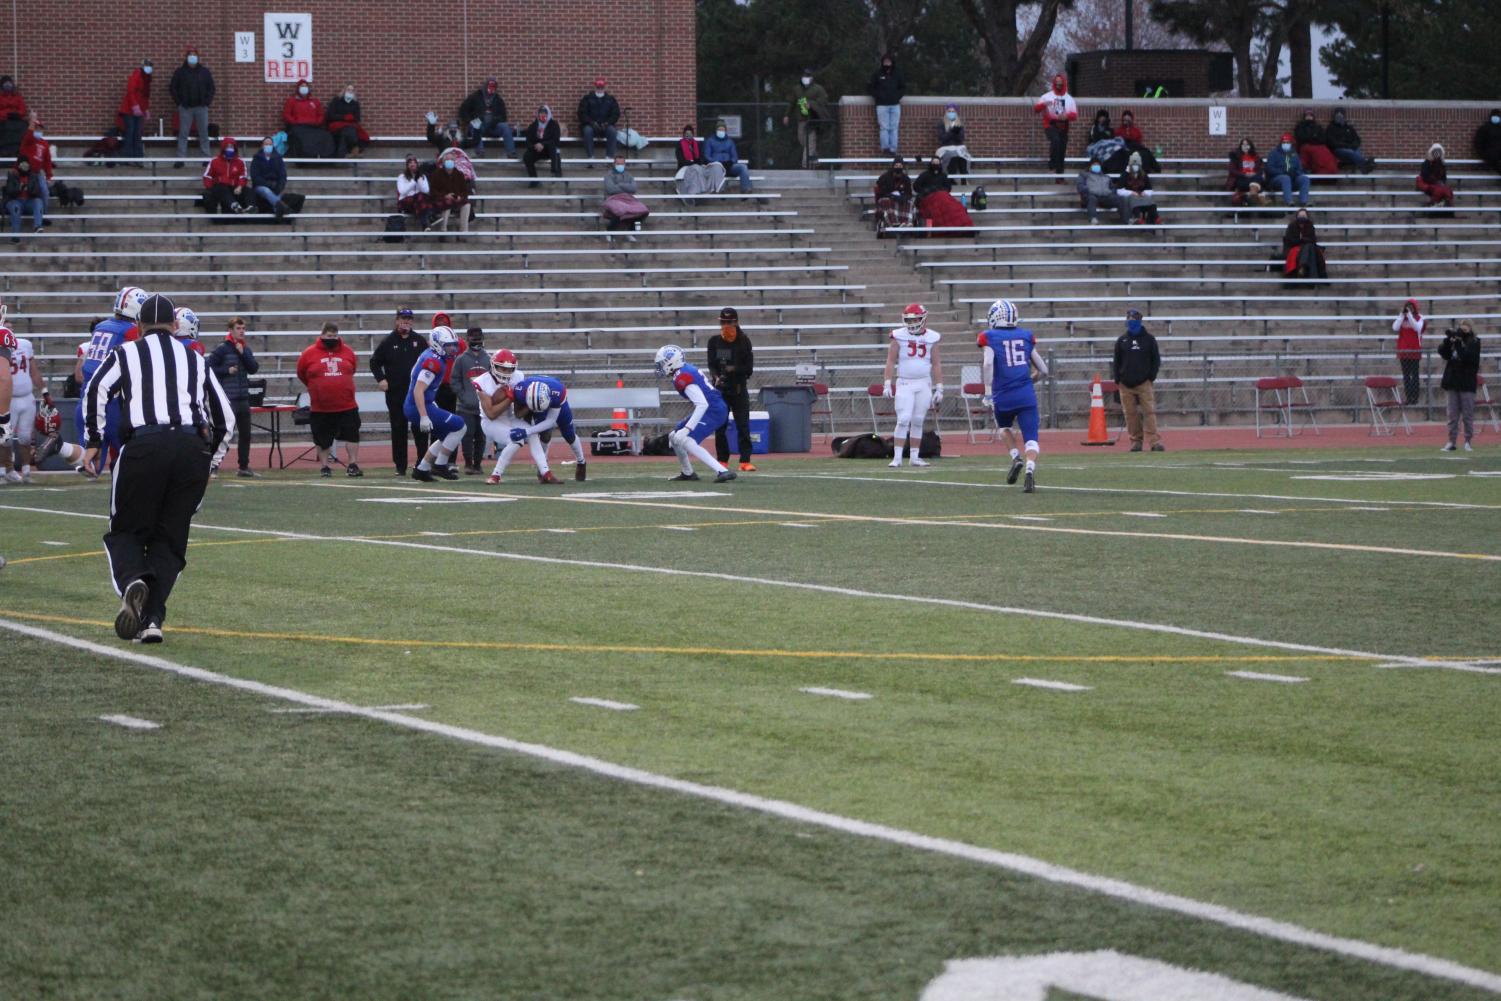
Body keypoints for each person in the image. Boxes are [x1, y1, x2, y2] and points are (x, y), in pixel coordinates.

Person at [82, 293, 234, 644]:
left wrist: (93, 440)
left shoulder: (126, 352)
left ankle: (134, 578)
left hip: (144, 445)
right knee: (170, 541)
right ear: (174, 324)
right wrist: (210, 462)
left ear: (138, 326)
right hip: (190, 449)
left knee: (125, 531)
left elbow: (96, 391)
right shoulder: (194, 359)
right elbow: (224, 417)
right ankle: (152, 620)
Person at [979, 299, 1047, 493]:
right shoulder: (1025, 336)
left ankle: (1016, 457)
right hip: (1026, 394)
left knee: (1004, 428)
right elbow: (1043, 369)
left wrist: (988, 392)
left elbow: (988, 365)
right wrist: (1028, 381)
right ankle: (1030, 469)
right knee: (1032, 439)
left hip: (1003, 395)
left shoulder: (989, 336)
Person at [76, 286, 147, 466]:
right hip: (112, 400)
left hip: (86, 397)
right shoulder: (131, 331)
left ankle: (61, 447)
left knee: (90, 463)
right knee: (130, 456)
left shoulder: (101, 326)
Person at [653, 344, 735, 482]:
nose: (660, 367)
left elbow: (702, 404)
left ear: (672, 362)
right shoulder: (683, 371)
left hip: (713, 410)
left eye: (662, 363)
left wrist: (686, 429)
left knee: (686, 439)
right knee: (674, 436)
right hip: (713, 408)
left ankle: (722, 471)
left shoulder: (682, 376)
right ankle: (687, 472)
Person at [296, 322, 363, 477]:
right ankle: (325, 466)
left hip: (346, 404)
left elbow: (352, 369)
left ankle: (352, 464)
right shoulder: (309, 353)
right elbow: (301, 373)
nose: (331, 338)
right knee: (322, 438)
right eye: (328, 336)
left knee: (352, 434)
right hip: (321, 406)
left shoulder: (347, 351)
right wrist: (317, 386)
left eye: (334, 336)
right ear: (322, 335)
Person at [472, 349, 548, 483]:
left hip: (509, 418)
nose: (506, 373)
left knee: (532, 433)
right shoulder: (482, 381)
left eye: (509, 369)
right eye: (502, 368)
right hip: (490, 423)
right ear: (494, 366)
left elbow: (518, 413)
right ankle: (495, 475)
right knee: (516, 439)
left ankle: (546, 473)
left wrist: (531, 404)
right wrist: (509, 398)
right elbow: (491, 414)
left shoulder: (518, 376)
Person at [881, 303, 942, 469]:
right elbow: (890, 360)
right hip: (905, 382)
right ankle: (897, 457)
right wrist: (887, 383)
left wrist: (939, 387)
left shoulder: (932, 337)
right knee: (903, 419)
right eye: (909, 319)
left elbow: (936, 364)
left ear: (923, 319)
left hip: (924, 383)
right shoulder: (898, 336)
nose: (912, 322)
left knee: (917, 420)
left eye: (915, 319)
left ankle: (914, 457)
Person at [370, 308, 429, 476]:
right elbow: (374, 362)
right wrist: (381, 379)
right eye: (403, 318)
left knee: (420, 428)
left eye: (409, 319)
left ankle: (422, 463)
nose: (407, 321)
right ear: (397, 320)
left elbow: (428, 362)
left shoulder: (419, 340)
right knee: (398, 429)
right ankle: (400, 466)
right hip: (396, 394)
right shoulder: (389, 341)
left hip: (416, 394)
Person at [407, 326, 468, 482]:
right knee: (460, 426)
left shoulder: (433, 356)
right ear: (437, 344)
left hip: (422, 403)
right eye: (448, 346)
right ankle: (440, 465)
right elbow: (418, 390)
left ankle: (422, 469)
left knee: (447, 435)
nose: (453, 349)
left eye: (454, 345)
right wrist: (423, 416)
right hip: (418, 405)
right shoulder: (434, 361)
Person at [509, 375, 589, 483]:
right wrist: (528, 409)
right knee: (544, 434)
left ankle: (581, 461)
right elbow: (518, 414)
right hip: (534, 402)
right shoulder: (520, 390)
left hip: (554, 402)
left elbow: (551, 421)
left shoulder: (557, 392)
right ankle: (543, 467)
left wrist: (526, 431)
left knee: (568, 434)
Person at [206, 317, 259, 477]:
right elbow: (208, 367)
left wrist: (243, 354)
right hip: (228, 398)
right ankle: (213, 465)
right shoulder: (222, 349)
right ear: (230, 330)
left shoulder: (245, 348)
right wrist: (226, 370)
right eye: (238, 328)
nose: (241, 331)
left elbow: (253, 368)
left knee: (246, 434)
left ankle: (243, 466)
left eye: (243, 328)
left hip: (243, 397)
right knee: (224, 433)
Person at [707, 306, 756, 472]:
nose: (726, 325)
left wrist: (733, 369)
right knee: (720, 426)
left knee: (743, 425)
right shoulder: (714, 342)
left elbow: (749, 368)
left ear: (736, 322)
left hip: (738, 389)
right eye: (724, 322)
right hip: (721, 390)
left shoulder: (744, 341)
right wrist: (716, 377)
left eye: (730, 322)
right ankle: (722, 460)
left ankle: (745, 460)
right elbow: (711, 365)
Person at [1111, 309, 1163, 452]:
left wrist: (1151, 377)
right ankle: (1135, 441)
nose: (1131, 322)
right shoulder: (1122, 340)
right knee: (1130, 414)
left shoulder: (1149, 339)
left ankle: (1154, 441)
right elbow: (1116, 361)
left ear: (1139, 321)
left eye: (1133, 320)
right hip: (1125, 384)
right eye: (1129, 320)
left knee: (1149, 412)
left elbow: (1156, 360)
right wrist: (1118, 379)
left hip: (1144, 382)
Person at [1438, 321, 1481, 452]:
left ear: (1470, 329)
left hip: (1467, 383)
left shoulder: (1475, 342)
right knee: (1452, 415)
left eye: (1465, 327)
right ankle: (1451, 441)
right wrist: (1447, 341)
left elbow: (1467, 357)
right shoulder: (1454, 341)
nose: (1462, 330)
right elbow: (1443, 353)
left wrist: (1458, 343)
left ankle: (1468, 441)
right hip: (1453, 382)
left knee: (1467, 414)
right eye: (1461, 328)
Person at [0, 327, 36, 481]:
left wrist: (45, 391)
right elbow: (4, 378)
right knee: (5, 437)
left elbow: (34, 371)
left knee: (24, 437)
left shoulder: (25, 345)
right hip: (10, 396)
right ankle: (4, 469)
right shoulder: (4, 339)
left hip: (25, 395)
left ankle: (25, 470)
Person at [451, 329, 489, 474]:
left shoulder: (489, 359)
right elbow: (454, 380)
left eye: (479, 338)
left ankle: (478, 464)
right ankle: (468, 464)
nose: (477, 341)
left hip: (484, 407)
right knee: (467, 435)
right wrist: (463, 396)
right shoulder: (461, 359)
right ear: (468, 339)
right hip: (465, 407)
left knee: (481, 436)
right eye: (474, 338)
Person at [169, 48, 214, 164]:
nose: (193, 57)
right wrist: (179, 103)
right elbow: (173, 88)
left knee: (204, 133)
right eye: (190, 55)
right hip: (186, 107)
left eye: (195, 55)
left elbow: (211, 88)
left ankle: (206, 157)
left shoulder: (204, 72)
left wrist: (207, 102)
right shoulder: (180, 72)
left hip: (201, 107)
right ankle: (180, 159)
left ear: (198, 57)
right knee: (183, 133)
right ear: (186, 57)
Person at [783, 69, 831, 169]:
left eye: (808, 76)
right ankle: (815, 160)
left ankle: (806, 165)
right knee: (803, 141)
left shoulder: (818, 89)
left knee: (810, 141)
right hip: (801, 120)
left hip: (813, 120)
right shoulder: (797, 89)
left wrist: (812, 104)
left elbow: (824, 100)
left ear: (812, 78)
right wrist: (786, 115)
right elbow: (791, 103)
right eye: (804, 76)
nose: (806, 79)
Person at [1033, 73, 1077, 177]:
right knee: (1055, 140)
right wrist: (1044, 104)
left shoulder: (1069, 99)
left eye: (1060, 83)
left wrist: (1067, 116)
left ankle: (1059, 177)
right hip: (1050, 124)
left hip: (1063, 125)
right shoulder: (1047, 96)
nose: (1058, 85)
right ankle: (1052, 165)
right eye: (1057, 83)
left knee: (1062, 150)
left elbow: (1074, 115)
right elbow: (1036, 109)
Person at [458, 77, 514, 156]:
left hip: (493, 126)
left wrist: (495, 120)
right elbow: (463, 110)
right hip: (480, 124)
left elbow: (503, 116)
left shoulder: (498, 99)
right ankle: (480, 151)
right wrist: (470, 121)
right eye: (490, 86)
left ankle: (511, 152)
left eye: (493, 87)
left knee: (505, 126)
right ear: (485, 86)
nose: (491, 89)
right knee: (475, 124)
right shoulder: (476, 96)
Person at [201, 137, 253, 214]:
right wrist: (211, 187)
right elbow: (207, 176)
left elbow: (243, 176)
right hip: (220, 187)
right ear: (223, 148)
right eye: (227, 146)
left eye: (231, 147)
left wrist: (239, 186)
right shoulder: (214, 161)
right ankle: (234, 205)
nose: (230, 149)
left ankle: (251, 207)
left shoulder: (240, 162)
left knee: (248, 190)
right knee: (221, 188)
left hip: (234, 187)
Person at [602, 153, 649, 240]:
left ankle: (631, 231)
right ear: (614, 164)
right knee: (619, 209)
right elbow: (611, 189)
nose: (620, 165)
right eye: (618, 164)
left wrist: (620, 185)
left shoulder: (628, 175)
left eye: (622, 164)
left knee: (644, 210)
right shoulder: (608, 175)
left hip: (628, 199)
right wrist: (626, 187)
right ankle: (610, 231)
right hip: (613, 198)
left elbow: (634, 188)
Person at [867, 53, 905, 155]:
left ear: (892, 62)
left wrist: (897, 96)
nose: (887, 63)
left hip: (895, 105)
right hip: (882, 105)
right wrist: (878, 96)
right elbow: (870, 87)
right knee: (884, 127)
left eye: (889, 61)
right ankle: (885, 149)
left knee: (894, 127)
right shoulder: (877, 74)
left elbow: (903, 87)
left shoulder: (897, 74)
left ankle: (893, 149)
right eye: (885, 62)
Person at [675, 125, 725, 195]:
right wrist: (690, 163)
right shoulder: (680, 144)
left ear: (693, 134)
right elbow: (679, 158)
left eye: (690, 134)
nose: (688, 135)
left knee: (714, 167)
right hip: (685, 166)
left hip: (697, 165)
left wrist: (693, 153)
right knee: (696, 169)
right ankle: (700, 190)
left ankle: (713, 188)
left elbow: (700, 158)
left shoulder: (697, 144)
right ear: (684, 134)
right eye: (686, 134)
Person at [578, 78, 621, 159]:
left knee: (612, 131)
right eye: (598, 88)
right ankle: (590, 157)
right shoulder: (587, 99)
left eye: (602, 88)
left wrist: (608, 123)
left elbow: (615, 114)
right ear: (595, 87)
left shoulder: (610, 99)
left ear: (604, 88)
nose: (600, 90)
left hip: (606, 126)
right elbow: (582, 113)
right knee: (587, 131)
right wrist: (591, 123)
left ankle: (609, 157)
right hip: (591, 126)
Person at [1076, 156, 1126, 225]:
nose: (1096, 166)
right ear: (1090, 166)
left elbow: (1112, 188)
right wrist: (1088, 190)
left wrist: (1111, 192)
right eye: (1094, 165)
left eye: (1098, 165)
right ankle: (1093, 218)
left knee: (1120, 199)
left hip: (1105, 197)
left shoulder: (1106, 177)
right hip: (1090, 196)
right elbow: (1080, 186)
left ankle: (1127, 220)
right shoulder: (1084, 175)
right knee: (1092, 198)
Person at [704, 120, 752, 194]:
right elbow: (707, 156)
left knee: (743, 167)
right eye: (719, 129)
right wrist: (716, 162)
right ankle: (721, 190)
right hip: (716, 167)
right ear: (716, 130)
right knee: (717, 169)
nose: (721, 131)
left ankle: (746, 189)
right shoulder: (710, 141)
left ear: (725, 130)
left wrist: (731, 162)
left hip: (729, 166)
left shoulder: (730, 142)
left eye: (723, 129)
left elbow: (734, 156)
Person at [1393, 300, 1425, 406]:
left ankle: (1414, 398)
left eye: (1411, 307)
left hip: (1414, 350)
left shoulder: (1419, 317)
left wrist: (1410, 316)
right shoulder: (1402, 317)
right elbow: (1395, 327)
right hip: (1403, 351)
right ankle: (1408, 397)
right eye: (1407, 307)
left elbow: (1417, 328)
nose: (1409, 309)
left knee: (1414, 375)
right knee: (1406, 376)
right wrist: (1402, 315)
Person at [282, 80, 326, 157]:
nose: (304, 88)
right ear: (298, 88)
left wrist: (317, 122)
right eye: (302, 86)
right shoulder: (292, 101)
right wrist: (295, 122)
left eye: (305, 86)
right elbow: (286, 114)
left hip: (313, 127)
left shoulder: (315, 101)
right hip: (298, 126)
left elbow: (321, 114)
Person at [118, 60, 152, 160]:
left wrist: (145, 109)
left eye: (150, 66)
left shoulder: (147, 79)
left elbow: (145, 96)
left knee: (138, 134)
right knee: (130, 133)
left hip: (139, 111)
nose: (149, 67)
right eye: (147, 65)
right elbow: (131, 91)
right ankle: (127, 157)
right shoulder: (136, 75)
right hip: (129, 110)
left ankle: (138, 158)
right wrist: (135, 105)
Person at [4, 155, 44, 239]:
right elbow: (9, 191)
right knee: (15, 207)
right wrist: (19, 188)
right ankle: (15, 235)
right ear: (18, 165)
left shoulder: (33, 175)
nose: (24, 166)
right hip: (15, 201)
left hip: (28, 201)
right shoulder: (12, 175)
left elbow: (37, 191)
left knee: (38, 202)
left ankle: (38, 226)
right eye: (22, 164)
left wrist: (29, 188)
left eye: (26, 164)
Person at [324, 83, 369, 158]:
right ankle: (354, 149)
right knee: (348, 131)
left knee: (346, 133)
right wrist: (343, 117)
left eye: (352, 90)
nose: (350, 92)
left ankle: (341, 156)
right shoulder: (336, 100)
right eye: (348, 89)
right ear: (344, 90)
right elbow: (330, 115)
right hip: (336, 125)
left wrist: (351, 118)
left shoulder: (355, 103)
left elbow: (357, 118)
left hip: (349, 126)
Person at [250, 136, 291, 217]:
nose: (268, 146)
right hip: (260, 186)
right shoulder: (256, 159)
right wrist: (267, 184)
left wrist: (280, 186)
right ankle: (284, 207)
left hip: (275, 185)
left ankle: (279, 214)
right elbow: (255, 176)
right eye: (266, 144)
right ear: (262, 145)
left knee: (276, 195)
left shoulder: (278, 158)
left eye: (270, 144)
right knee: (267, 191)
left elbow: (282, 175)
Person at [1265, 133, 1310, 207]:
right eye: (1284, 142)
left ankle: (1304, 201)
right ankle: (1289, 202)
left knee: (1304, 178)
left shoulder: (1294, 154)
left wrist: (1295, 173)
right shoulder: (1273, 153)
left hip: (1292, 179)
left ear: (1291, 143)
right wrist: (1282, 172)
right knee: (1285, 178)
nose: (1286, 144)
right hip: (1277, 180)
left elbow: (1299, 169)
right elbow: (1270, 168)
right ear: (1281, 143)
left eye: (1288, 142)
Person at [1281, 208, 1326, 280]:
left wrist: (1302, 240)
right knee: (1308, 247)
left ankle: (1302, 266)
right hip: (1294, 247)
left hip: (1307, 247)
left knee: (1309, 247)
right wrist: (1302, 240)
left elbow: (1313, 239)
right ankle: (1305, 268)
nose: (1302, 217)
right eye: (1300, 215)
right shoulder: (1292, 226)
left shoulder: (1310, 225)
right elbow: (1290, 240)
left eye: (1304, 215)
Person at [522, 105, 562, 186]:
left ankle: (555, 172)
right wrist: (535, 146)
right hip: (538, 150)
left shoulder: (553, 125)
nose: (543, 115)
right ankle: (534, 180)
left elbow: (556, 140)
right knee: (527, 156)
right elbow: (528, 141)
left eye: (545, 113)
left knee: (553, 147)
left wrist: (543, 144)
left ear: (548, 114)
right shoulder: (533, 126)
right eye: (541, 113)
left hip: (549, 150)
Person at [1292, 108, 1338, 175]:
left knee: (1325, 153)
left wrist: (1312, 138)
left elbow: (1323, 139)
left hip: (1318, 147)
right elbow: (1301, 137)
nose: (1309, 117)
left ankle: (1328, 171)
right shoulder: (1300, 127)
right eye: (1307, 115)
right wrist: (1313, 138)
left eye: (1310, 115)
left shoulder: (1318, 127)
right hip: (1305, 147)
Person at [1325, 109, 1372, 173]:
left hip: (1351, 148)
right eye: (1337, 115)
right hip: (1338, 150)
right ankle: (1365, 166)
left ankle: (1364, 167)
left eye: (1341, 115)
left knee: (1356, 150)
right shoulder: (1331, 128)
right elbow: (1332, 143)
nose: (1339, 117)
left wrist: (1354, 145)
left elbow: (1357, 139)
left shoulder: (1349, 128)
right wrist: (1347, 146)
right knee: (1351, 152)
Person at [874, 156, 914, 231]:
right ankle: (893, 223)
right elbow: (881, 191)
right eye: (896, 166)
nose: (898, 167)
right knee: (887, 201)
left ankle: (906, 222)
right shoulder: (885, 177)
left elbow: (909, 193)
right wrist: (891, 195)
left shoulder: (906, 178)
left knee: (909, 202)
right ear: (893, 166)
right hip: (886, 197)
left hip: (900, 198)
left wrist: (903, 196)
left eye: (900, 166)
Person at [1116, 152, 1157, 225]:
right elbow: (1119, 190)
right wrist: (1131, 192)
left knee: (1150, 201)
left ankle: (1156, 218)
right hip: (1130, 197)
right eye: (1134, 164)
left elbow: (1149, 189)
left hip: (1141, 196)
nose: (1135, 166)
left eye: (1137, 165)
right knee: (1133, 199)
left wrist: (1145, 193)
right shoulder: (1125, 175)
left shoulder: (1143, 175)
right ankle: (1137, 217)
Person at [1226, 138, 1267, 207]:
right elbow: (1232, 170)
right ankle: (1256, 196)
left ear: (1250, 146)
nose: (1245, 146)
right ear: (1240, 146)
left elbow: (1261, 168)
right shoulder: (1235, 156)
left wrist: (1254, 174)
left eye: (1247, 144)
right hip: (1241, 179)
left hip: (1254, 178)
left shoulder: (1256, 157)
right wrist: (1245, 174)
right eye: (1243, 145)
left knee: (1258, 176)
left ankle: (1251, 194)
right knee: (1258, 181)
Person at [935, 103, 970, 180]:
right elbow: (942, 138)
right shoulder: (941, 123)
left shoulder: (959, 124)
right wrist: (951, 132)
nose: (951, 113)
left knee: (964, 156)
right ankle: (951, 179)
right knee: (952, 155)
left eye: (953, 111)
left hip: (958, 146)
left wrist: (956, 133)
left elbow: (961, 138)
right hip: (946, 147)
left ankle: (964, 178)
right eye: (949, 111)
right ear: (946, 112)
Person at [395, 155, 432, 225]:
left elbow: (426, 190)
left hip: (418, 202)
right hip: (405, 201)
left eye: (414, 162)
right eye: (410, 163)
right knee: (420, 198)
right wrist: (413, 182)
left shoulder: (422, 176)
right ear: (407, 165)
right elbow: (402, 192)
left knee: (422, 197)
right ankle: (427, 222)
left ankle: (425, 223)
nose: (413, 164)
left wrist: (419, 180)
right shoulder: (402, 177)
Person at [1417, 142, 1455, 210]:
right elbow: (1425, 176)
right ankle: (1435, 203)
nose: (1437, 154)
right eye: (1435, 151)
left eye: (1438, 152)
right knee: (1439, 189)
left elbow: (1443, 178)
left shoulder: (1441, 164)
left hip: (1437, 185)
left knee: (1447, 190)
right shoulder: (1426, 163)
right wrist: (1429, 161)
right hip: (1429, 184)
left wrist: (1439, 162)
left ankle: (1443, 203)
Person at [1472, 108, 1501, 176]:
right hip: (1490, 154)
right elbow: (1478, 143)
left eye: (1498, 116)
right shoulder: (1484, 128)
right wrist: (1483, 154)